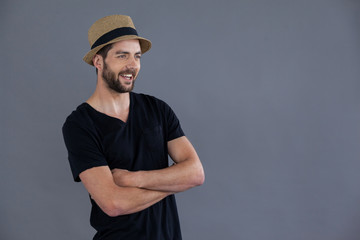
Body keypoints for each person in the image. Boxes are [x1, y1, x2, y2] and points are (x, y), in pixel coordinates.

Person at [62, 15, 205, 240]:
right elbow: (112, 203)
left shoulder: (158, 109)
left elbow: (195, 174)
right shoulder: (79, 125)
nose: (132, 65)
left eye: (137, 56)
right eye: (122, 56)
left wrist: (133, 179)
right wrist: (174, 182)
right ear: (98, 62)